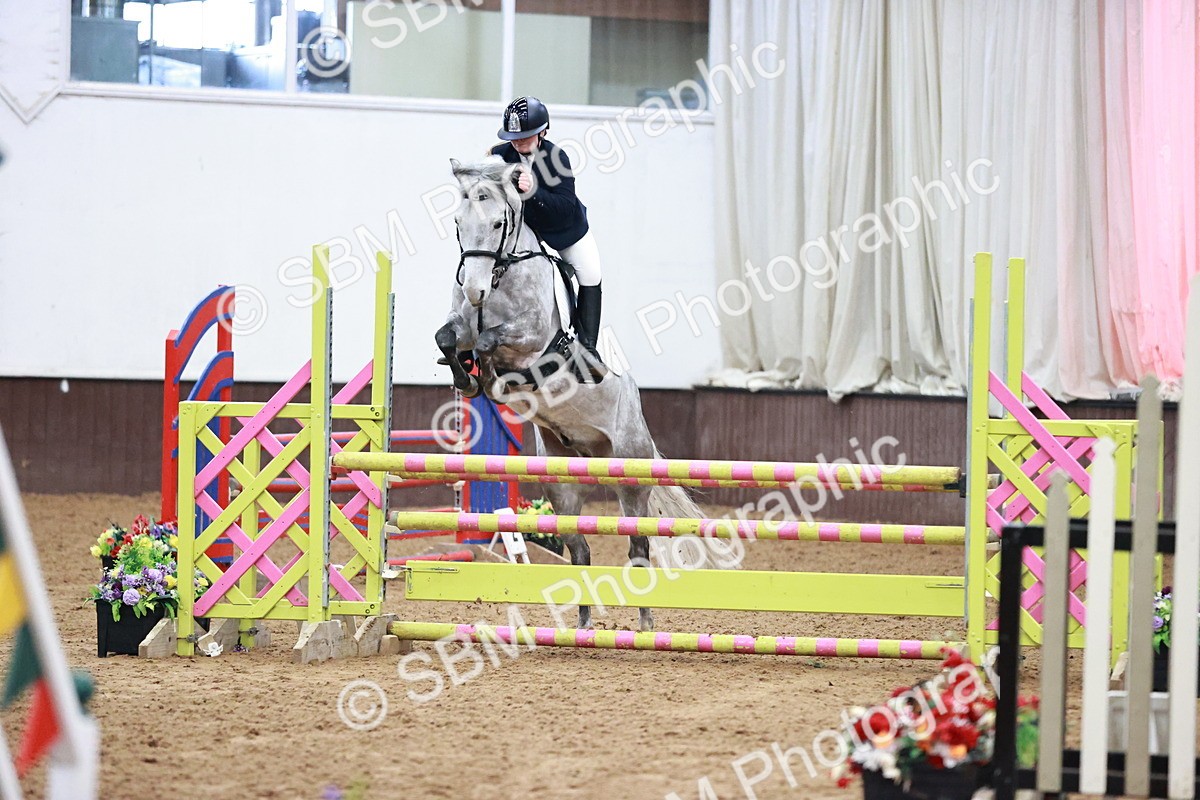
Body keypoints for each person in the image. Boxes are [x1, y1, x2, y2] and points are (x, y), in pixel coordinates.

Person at [489, 96, 604, 363]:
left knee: (591, 274)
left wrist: (533, 191)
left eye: (525, 137)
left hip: (564, 230)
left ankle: (587, 350)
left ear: (543, 132)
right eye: (514, 137)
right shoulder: (500, 155)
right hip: (525, 231)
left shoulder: (556, 157)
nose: (517, 142)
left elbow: (564, 205)